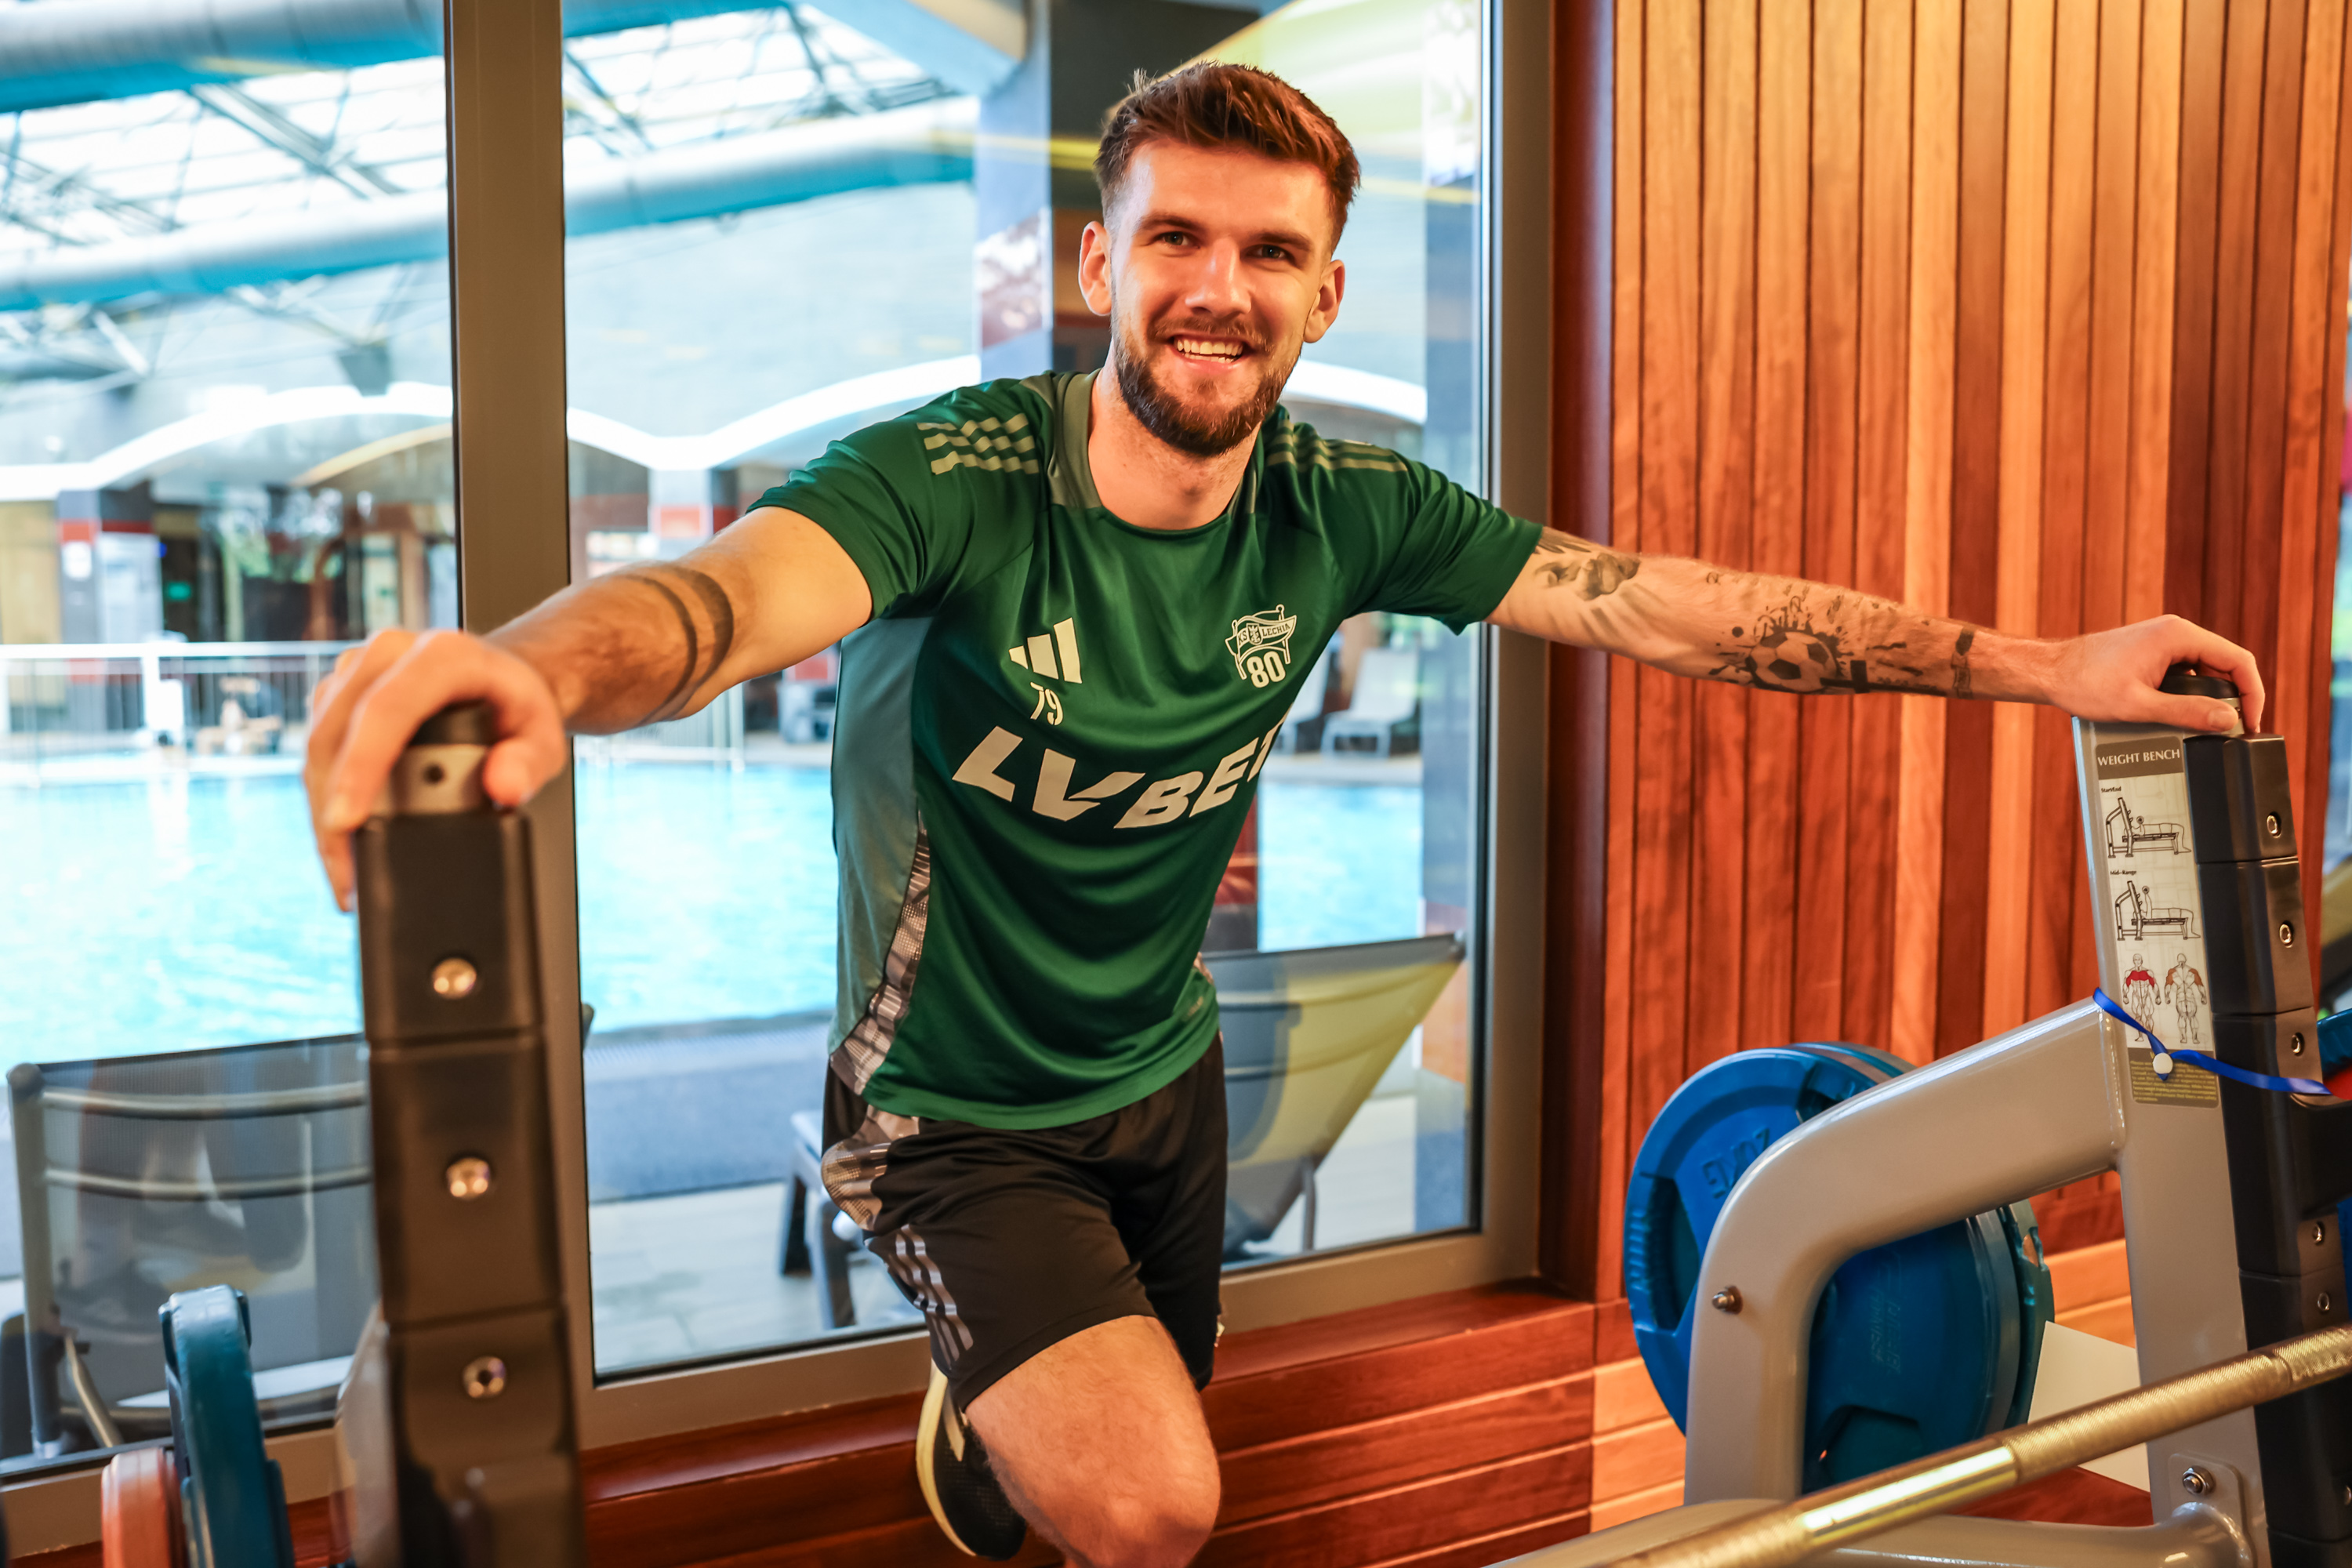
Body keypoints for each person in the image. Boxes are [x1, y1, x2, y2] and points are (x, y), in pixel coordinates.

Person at [303, 61, 2266, 1568]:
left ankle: (1011, 1414)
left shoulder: (1343, 511)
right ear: (1103, 268)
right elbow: (715, 606)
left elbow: (1674, 608)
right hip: (950, 1111)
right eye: (1174, 240)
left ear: (1322, 294)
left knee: (1139, 1465)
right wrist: (527, 671)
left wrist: (2047, 665)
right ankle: (1000, 1393)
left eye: (1265, 255)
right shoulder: (955, 481)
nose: (1215, 290)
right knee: (1159, 1505)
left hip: (1166, 1078)